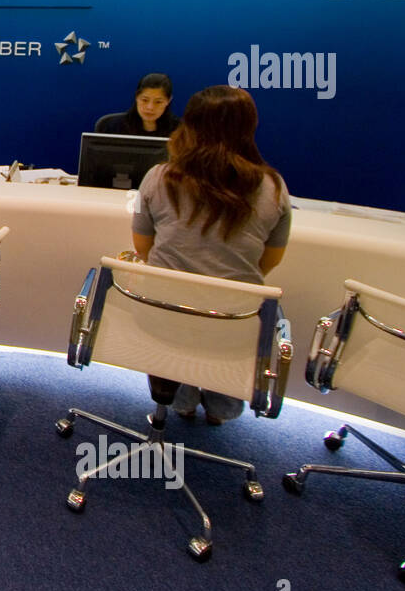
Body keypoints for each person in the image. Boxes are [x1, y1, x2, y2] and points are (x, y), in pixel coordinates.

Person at [131, 85, 290, 424]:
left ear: (188, 125)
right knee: (218, 333)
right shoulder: (273, 187)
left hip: (164, 316)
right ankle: (221, 408)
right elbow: (268, 262)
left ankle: (180, 401)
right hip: (236, 320)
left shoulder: (158, 178)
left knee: (181, 327)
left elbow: (142, 249)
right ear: (249, 127)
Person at [96, 73, 180, 136]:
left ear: (168, 101)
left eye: (158, 102)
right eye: (144, 100)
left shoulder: (180, 131)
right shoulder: (112, 127)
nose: (150, 107)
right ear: (136, 97)